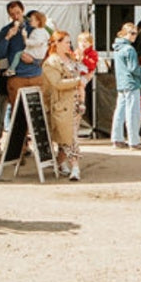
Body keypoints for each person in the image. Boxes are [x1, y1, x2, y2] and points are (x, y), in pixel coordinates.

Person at [41, 30, 84, 181]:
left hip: (75, 103)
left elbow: (80, 74)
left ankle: (59, 163)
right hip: (62, 105)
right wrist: (77, 81)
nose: (69, 45)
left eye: (69, 42)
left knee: (67, 137)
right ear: (56, 44)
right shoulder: (51, 63)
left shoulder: (70, 58)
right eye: (66, 42)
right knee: (69, 137)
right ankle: (75, 167)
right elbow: (57, 83)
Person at [0, 0, 44, 106]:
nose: (16, 17)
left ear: (23, 11)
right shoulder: (6, 30)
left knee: (37, 113)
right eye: (12, 14)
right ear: (9, 15)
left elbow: (46, 51)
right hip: (17, 78)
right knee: (18, 113)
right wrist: (8, 37)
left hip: (36, 76)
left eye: (18, 13)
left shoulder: (34, 29)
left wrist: (34, 61)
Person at [111, 23, 141, 150]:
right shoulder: (130, 49)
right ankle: (134, 141)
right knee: (133, 113)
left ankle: (117, 139)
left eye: (135, 33)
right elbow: (133, 69)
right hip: (131, 83)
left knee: (119, 112)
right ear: (124, 33)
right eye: (131, 33)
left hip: (121, 83)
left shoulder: (117, 48)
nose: (134, 36)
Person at [3, 9, 49, 76]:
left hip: (35, 53)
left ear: (38, 21)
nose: (30, 22)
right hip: (39, 53)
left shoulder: (38, 32)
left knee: (18, 54)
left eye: (32, 20)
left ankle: (12, 69)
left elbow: (36, 42)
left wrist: (25, 38)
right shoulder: (43, 31)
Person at [75, 31, 98, 130]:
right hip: (77, 73)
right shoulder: (76, 51)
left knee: (81, 85)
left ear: (91, 43)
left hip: (85, 74)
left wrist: (83, 59)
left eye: (86, 42)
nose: (83, 44)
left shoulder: (92, 53)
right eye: (81, 42)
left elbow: (92, 65)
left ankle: (81, 102)